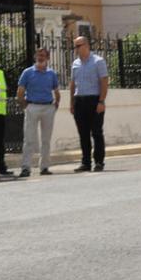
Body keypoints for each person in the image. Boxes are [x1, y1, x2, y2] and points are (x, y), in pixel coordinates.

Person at [17, 48, 60, 177]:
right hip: (32, 106)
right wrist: (24, 104)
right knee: (29, 139)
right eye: (38, 55)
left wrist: (55, 104)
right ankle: (26, 167)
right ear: (35, 56)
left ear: (47, 58)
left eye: (43, 55)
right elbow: (20, 90)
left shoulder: (51, 74)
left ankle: (45, 167)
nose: (40, 57)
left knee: (46, 139)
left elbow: (56, 91)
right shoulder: (27, 72)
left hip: (48, 107)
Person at [69, 36, 108, 172]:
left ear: (86, 45)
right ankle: (85, 162)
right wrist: (72, 102)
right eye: (75, 46)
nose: (76, 49)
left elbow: (104, 81)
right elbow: (73, 84)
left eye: (78, 46)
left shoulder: (98, 61)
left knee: (96, 132)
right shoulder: (75, 64)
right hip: (80, 100)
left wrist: (101, 101)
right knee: (83, 133)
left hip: (94, 100)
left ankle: (99, 161)